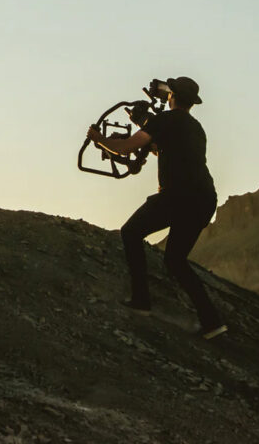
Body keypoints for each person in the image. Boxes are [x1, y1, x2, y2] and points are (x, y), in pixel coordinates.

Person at [86, 76, 227, 340]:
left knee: (131, 233)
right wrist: (145, 124)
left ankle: (141, 301)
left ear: (171, 96)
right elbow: (161, 148)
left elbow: (127, 147)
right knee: (175, 261)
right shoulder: (195, 127)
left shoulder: (165, 120)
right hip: (204, 199)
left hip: (177, 196)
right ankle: (212, 322)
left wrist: (99, 138)